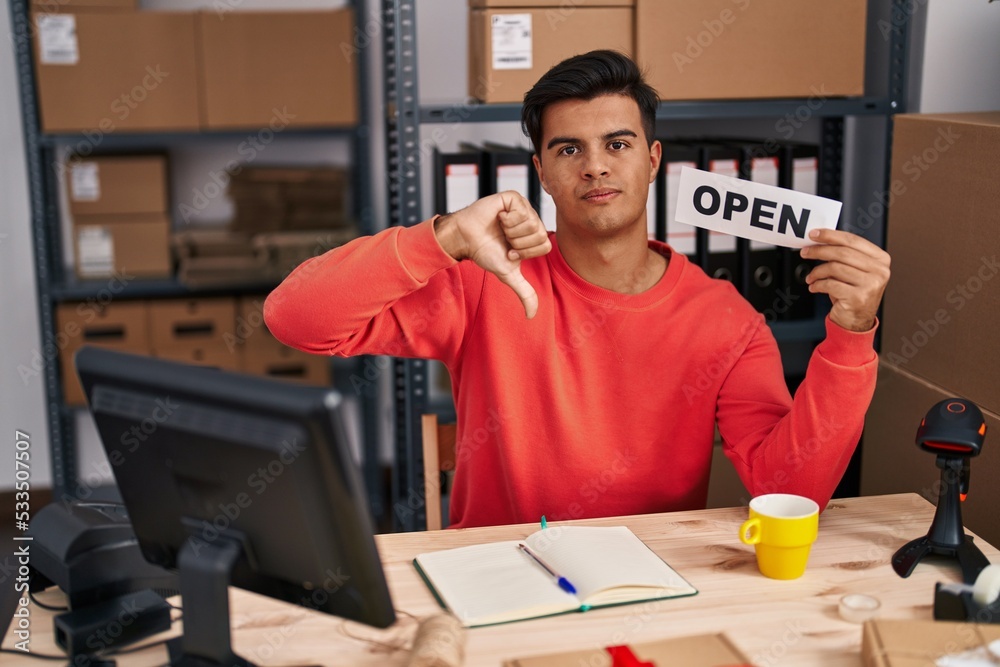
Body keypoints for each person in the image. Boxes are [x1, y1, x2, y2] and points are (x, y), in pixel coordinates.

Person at [264, 50, 890, 529]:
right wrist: (445, 235)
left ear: (652, 159)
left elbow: (792, 491)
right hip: (496, 580)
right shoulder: (485, 281)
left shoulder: (727, 320)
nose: (595, 165)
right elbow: (296, 320)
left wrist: (852, 337)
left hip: (650, 585)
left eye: (617, 144)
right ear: (539, 171)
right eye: (569, 148)